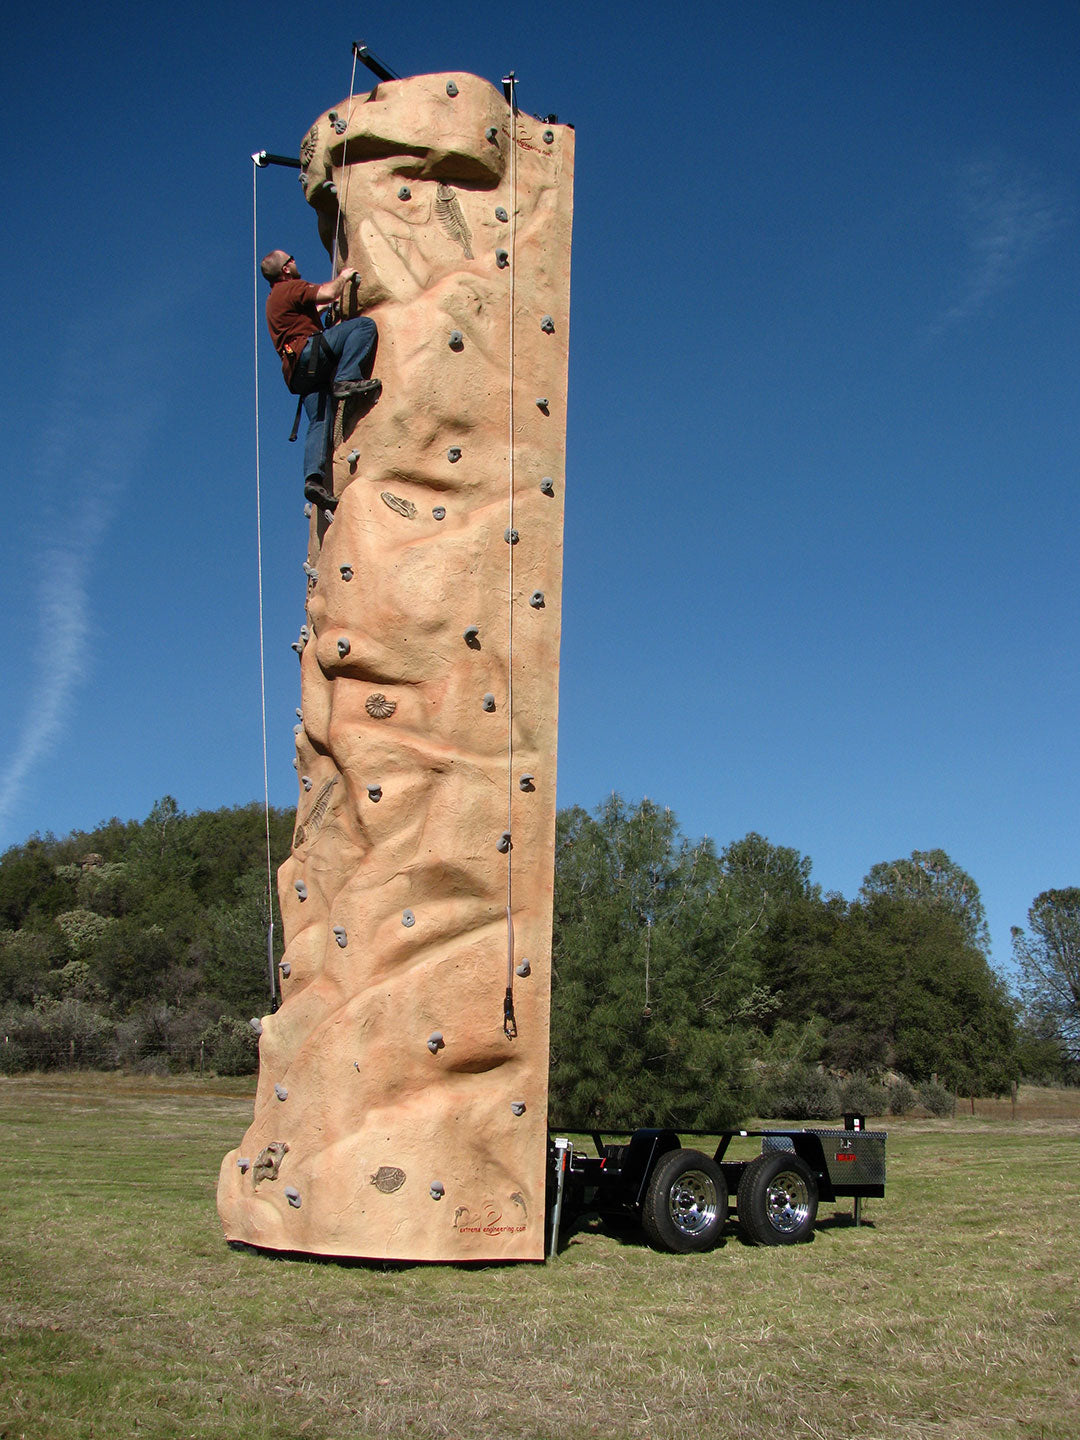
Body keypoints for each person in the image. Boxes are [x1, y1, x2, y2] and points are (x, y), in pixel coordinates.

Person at [260, 249, 381, 511]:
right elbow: (327, 293)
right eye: (290, 259)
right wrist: (344, 278)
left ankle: (313, 480)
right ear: (285, 269)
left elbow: (315, 306)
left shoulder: (275, 299)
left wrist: (324, 308)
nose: (294, 261)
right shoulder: (290, 287)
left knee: (319, 420)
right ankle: (347, 379)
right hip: (309, 355)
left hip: (298, 373)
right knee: (364, 327)